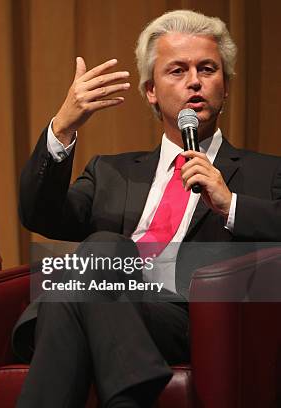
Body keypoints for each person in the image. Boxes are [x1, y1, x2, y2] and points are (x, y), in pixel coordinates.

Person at [15, 10, 281, 407]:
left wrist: (231, 204)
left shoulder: (265, 172)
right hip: (112, 306)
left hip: (190, 318)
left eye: (207, 69)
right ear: (151, 91)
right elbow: (41, 216)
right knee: (99, 259)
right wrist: (63, 129)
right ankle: (132, 391)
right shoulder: (110, 171)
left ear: (225, 87)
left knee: (75, 286)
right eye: (177, 70)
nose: (194, 81)